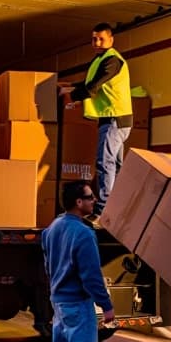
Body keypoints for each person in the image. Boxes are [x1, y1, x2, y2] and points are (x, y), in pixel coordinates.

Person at [42, 179, 116, 342]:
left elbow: (48, 266)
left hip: (59, 301)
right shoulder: (83, 233)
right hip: (78, 303)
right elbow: (91, 275)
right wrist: (106, 305)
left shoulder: (52, 228)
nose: (94, 200)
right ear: (78, 202)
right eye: (90, 197)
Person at [66, 22, 132, 225]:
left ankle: (104, 211)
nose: (97, 42)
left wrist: (72, 95)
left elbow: (93, 87)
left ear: (111, 40)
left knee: (106, 164)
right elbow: (89, 83)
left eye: (101, 38)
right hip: (116, 120)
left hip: (115, 120)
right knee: (116, 166)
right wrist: (69, 88)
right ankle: (121, 208)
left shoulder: (112, 60)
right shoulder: (101, 60)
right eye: (94, 38)